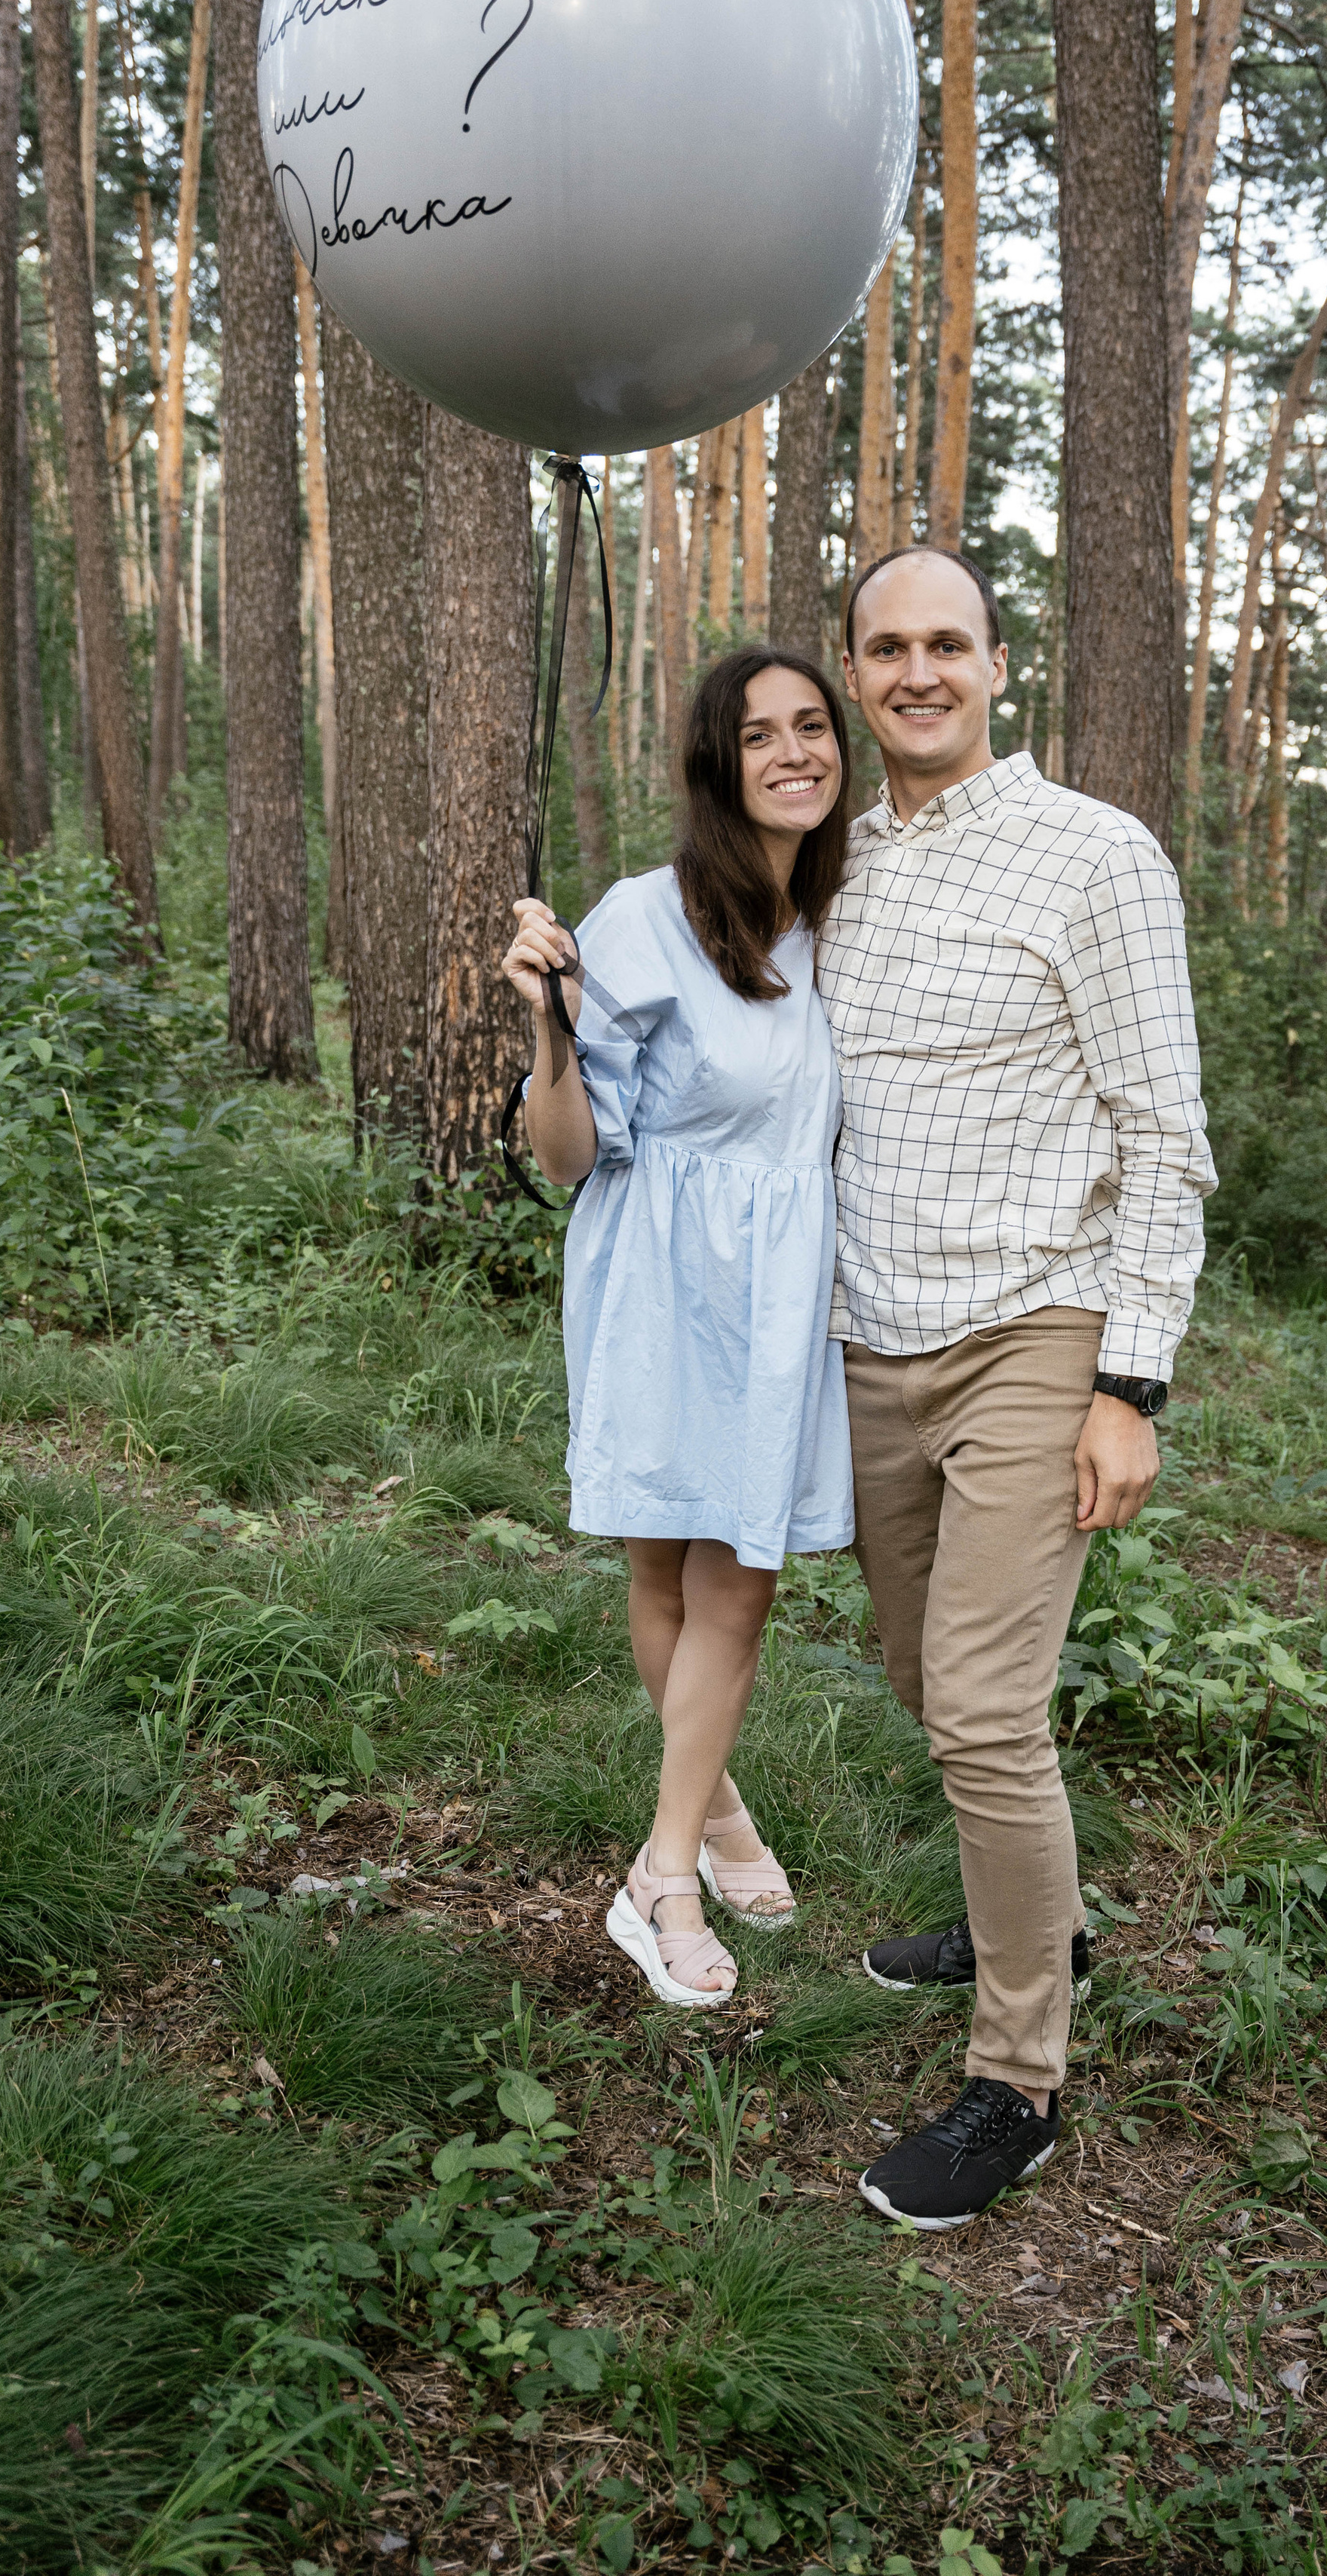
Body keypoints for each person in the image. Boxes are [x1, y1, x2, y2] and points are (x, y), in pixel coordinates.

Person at [821, 544, 1215, 2229]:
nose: (916, 671)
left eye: (946, 643)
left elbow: (1163, 1136)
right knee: (921, 1671)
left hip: (1033, 1330)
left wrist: (1129, 1383)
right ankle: (1030, 1910)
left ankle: (1016, 2081)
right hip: (864, 1338)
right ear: (855, 668)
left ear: (996, 663)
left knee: (983, 1707)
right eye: (885, 646)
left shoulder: (1093, 858)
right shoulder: (828, 861)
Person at [501, 647, 854, 2012]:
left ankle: (699, 1820)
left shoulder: (844, 915)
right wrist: (549, 1032)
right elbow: (571, 1155)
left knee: (735, 1581)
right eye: (758, 735)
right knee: (676, 1577)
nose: (790, 754)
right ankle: (667, 1872)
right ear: (719, 765)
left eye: (812, 728)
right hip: (657, 1277)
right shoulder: (645, 919)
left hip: (781, 1297)